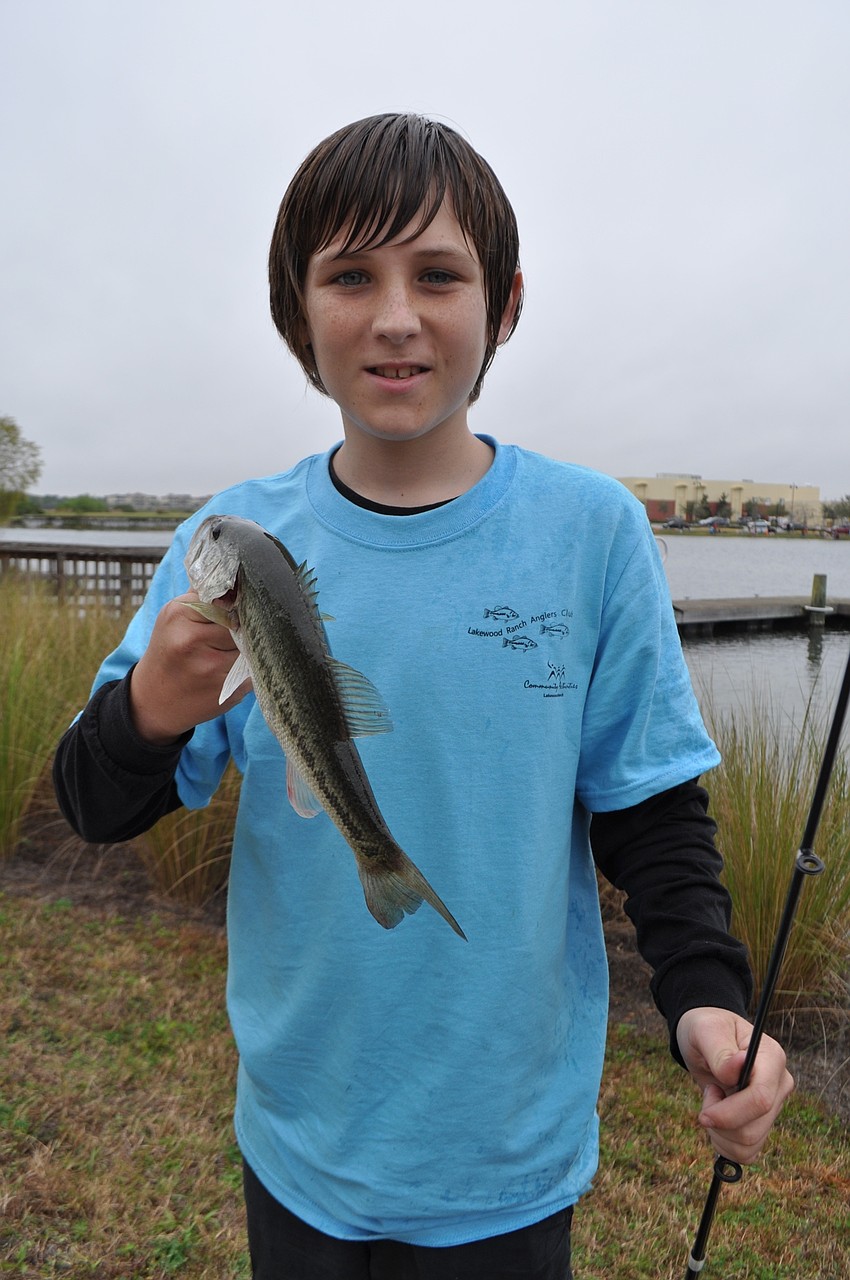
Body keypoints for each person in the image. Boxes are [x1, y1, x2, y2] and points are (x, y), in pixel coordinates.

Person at [54, 113, 793, 1279]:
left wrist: (704, 994)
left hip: (506, 1148)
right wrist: (150, 702)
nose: (396, 315)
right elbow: (97, 804)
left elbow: (651, 808)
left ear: (502, 305)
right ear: (296, 312)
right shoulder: (227, 539)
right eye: (350, 275)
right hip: (299, 1133)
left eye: (437, 275)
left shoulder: (590, 530)